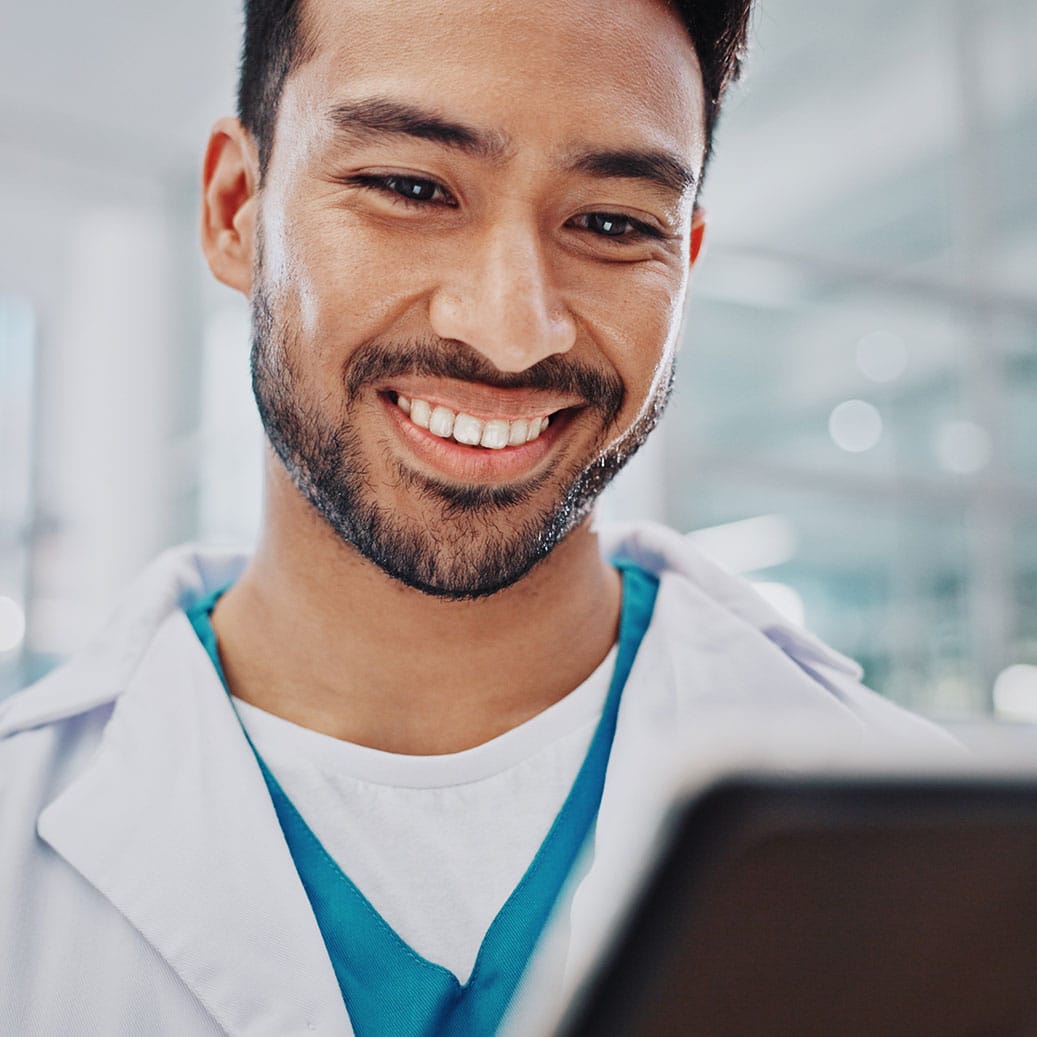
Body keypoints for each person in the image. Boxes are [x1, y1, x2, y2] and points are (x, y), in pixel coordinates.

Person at [0, 0, 957, 1033]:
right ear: (238, 209)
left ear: (684, 259)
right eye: (410, 187)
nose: (509, 330)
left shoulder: (948, 864)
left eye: (612, 223)